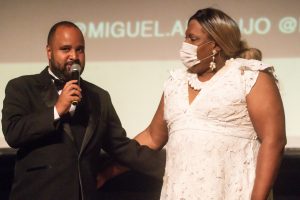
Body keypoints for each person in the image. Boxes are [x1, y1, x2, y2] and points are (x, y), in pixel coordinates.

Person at [133, 8, 286, 200]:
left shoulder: (249, 76)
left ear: (215, 45)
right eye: (185, 38)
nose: (185, 45)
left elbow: (274, 140)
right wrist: (110, 168)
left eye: (193, 39)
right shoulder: (176, 83)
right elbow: (152, 137)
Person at [1, 21, 163, 200]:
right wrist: (57, 110)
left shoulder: (99, 97)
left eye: (80, 49)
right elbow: (13, 133)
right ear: (49, 52)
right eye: (65, 49)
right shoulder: (22, 87)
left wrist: (174, 165)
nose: (74, 56)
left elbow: (122, 148)